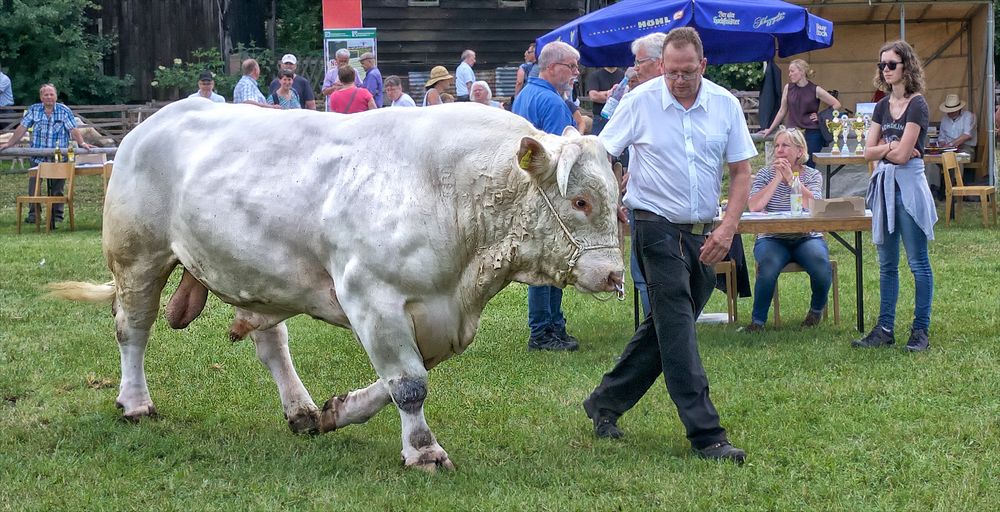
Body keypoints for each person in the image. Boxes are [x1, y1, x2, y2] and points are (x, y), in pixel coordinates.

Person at [585, 27, 755, 463]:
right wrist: (612, 200)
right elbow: (603, 153)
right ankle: (707, 435)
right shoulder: (639, 102)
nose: (679, 80)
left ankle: (605, 401)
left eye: (687, 72)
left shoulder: (724, 105)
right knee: (678, 329)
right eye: (671, 72)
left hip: (705, 232)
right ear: (660, 67)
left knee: (664, 328)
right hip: (653, 226)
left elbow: (741, 171)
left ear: (703, 65)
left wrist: (728, 229)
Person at [854, 40, 935, 352]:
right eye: (882, 65)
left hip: (909, 188)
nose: (885, 70)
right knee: (887, 264)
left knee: (918, 263)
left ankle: (920, 331)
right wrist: (891, 147)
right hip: (885, 185)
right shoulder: (880, 105)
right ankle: (885, 329)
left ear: (906, 67)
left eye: (891, 64)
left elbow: (904, 157)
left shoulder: (918, 104)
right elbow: (868, 153)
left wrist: (887, 150)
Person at [512, 40, 582, 352]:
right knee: (549, 265)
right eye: (571, 67)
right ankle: (544, 332)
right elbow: (563, 155)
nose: (576, 73)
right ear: (552, 67)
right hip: (551, 196)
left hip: (529, 191)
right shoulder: (553, 103)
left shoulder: (525, 94)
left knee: (545, 263)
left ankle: (552, 326)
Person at [744, 128, 830, 332]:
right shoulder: (765, 174)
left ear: (800, 151)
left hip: (806, 236)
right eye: (777, 146)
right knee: (768, 266)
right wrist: (777, 178)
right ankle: (758, 322)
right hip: (772, 238)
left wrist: (792, 180)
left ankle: (815, 311)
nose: (780, 150)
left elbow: (815, 205)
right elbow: (754, 206)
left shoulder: (812, 175)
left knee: (820, 263)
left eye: (785, 145)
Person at [0, 83, 94, 227]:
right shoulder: (34, 110)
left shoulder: (64, 110)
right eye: (46, 95)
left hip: (58, 157)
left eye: (51, 94)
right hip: (37, 157)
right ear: (41, 97)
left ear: (56, 96)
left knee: (57, 188)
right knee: (34, 187)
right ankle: (33, 216)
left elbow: (73, 129)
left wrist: (82, 143)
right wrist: (10, 143)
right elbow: (22, 128)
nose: (49, 97)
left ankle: (57, 216)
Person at [757, 59, 841, 168]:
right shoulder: (788, 87)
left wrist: (820, 116)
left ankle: (806, 185)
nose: (789, 74)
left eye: (792, 71)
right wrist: (770, 128)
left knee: (809, 166)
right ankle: (792, 185)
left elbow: (836, 104)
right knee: (792, 164)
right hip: (793, 132)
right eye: (789, 71)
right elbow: (782, 110)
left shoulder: (815, 89)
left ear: (801, 72)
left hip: (812, 133)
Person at [586, 65, 625, 135]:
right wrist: (613, 94)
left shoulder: (624, 76)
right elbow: (593, 96)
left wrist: (604, 95)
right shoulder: (595, 75)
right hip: (600, 120)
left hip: (620, 118)